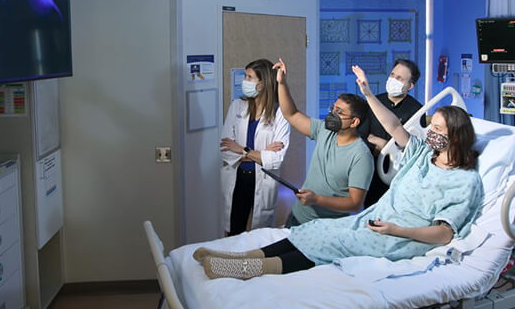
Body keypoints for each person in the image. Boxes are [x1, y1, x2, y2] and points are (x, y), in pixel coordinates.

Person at [193, 65, 482, 280]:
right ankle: (238, 257)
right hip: (375, 220)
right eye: (431, 126)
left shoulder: (463, 181)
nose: (430, 132)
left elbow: (444, 234)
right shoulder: (421, 155)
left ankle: (242, 269)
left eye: (438, 129)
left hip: (401, 236)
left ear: (455, 136)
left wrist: (397, 229)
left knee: (331, 242)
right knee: (315, 230)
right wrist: (367, 91)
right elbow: (395, 127)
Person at [272, 58, 373, 227]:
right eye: (333, 109)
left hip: (327, 227)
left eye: (339, 112)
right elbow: (291, 114)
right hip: (297, 217)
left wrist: (317, 199)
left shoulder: (361, 156)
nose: (332, 114)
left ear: (354, 122)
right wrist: (282, 83)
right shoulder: (325, 131)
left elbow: (355, 203)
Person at [220, 59, 291, 236]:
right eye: (245, 75)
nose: (244, 81)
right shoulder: (237, 106)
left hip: (263, 179)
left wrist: (242, 150)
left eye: (249, 77)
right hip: (237, 178)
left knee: (261, 235)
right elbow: (225, 150)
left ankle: (254, 264)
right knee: (232, 231)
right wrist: (261, 154)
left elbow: (276, 159)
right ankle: (230, 263)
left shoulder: (280, 113)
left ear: (262, 83)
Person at [360, 58, 425, 207]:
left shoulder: (416, 111)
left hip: (397, 176)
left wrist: (384, 144)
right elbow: (361, 136)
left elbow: (412, 148)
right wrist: (376, 143)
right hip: (371, 172)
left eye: (400, 78)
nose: (393, 79)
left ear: (410, 86)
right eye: (392, 75)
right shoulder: (373, 103)